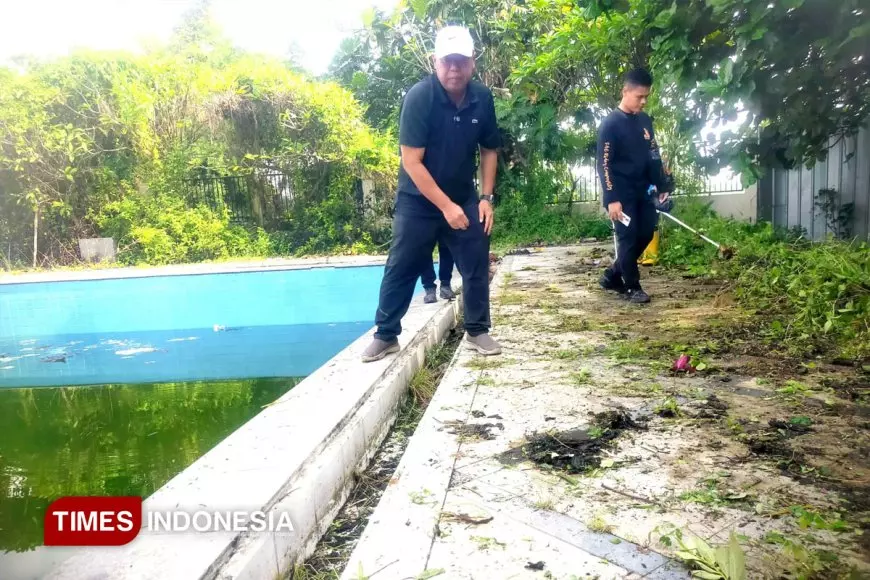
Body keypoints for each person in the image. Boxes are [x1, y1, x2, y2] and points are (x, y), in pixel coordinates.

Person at [361, 25, 502, 362]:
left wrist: (485, 198)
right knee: (401, 265)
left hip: (463, 196)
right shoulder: (419, 98)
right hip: (419, 201)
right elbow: (412, 162)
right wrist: (446, 207)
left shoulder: (482, 98)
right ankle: (386, 335)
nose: (454, 69)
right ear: (435, 62)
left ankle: (477, 330)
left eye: (461, 61)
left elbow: (489, 149)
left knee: (476, 256)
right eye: (447, 61)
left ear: (472, 63)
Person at [596, 67, 673, 304]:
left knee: (646, 233)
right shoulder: (610, 124)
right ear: (625, 91)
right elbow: (604, 164)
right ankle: (632, 286)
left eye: (646, 97)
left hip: (644, 190)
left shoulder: (644, 120)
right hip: (622, 193)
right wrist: (611, 198)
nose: (643, 101)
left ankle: (612, 274)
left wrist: (662, 185)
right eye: (639, 96)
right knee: (628, 238)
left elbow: (653, 153)